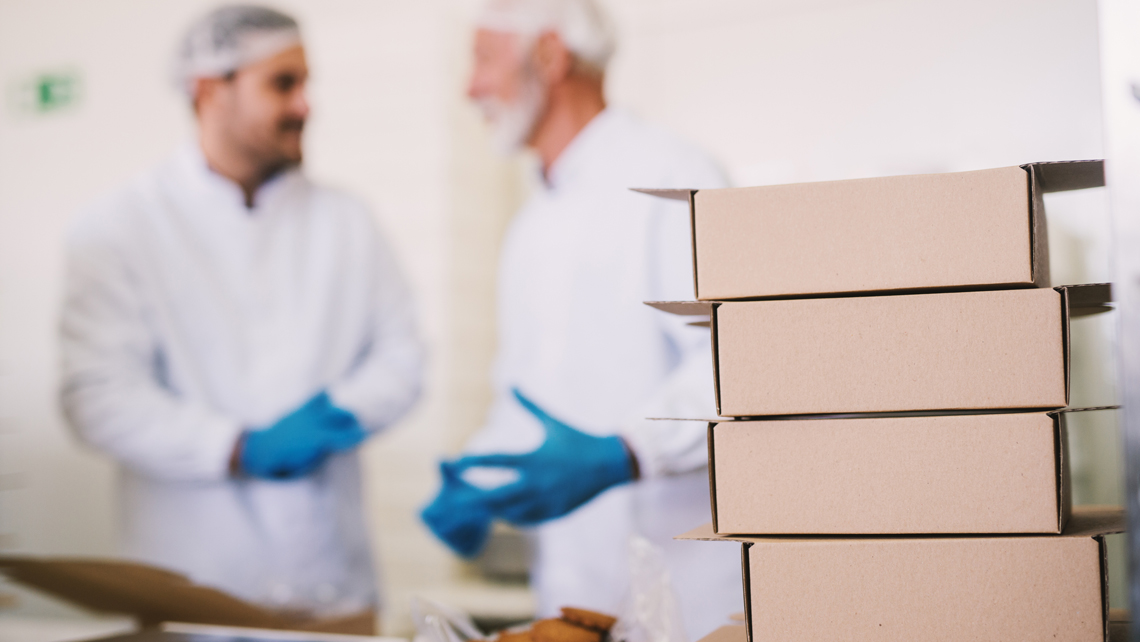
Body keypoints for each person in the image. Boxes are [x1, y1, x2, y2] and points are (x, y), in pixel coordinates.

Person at [59, 5, 422, 630]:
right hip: (188, 599)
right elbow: (97, 397)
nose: (306, 104)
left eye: (306, 83)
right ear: (209, 90)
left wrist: (342, 411)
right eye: (283, 84)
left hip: (333, 593)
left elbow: (403, 357)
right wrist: (233, 446)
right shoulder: (118, 228)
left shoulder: (348, 221)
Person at [421, 0, 741, 637]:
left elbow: (741, 358)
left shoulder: (674, 177)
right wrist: (481, 478)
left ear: (549, 54)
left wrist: (626, 452)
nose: (470, 86)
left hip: (689, 604)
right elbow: (529, 397)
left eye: (483, 58)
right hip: (571, 598)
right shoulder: (532, 219)